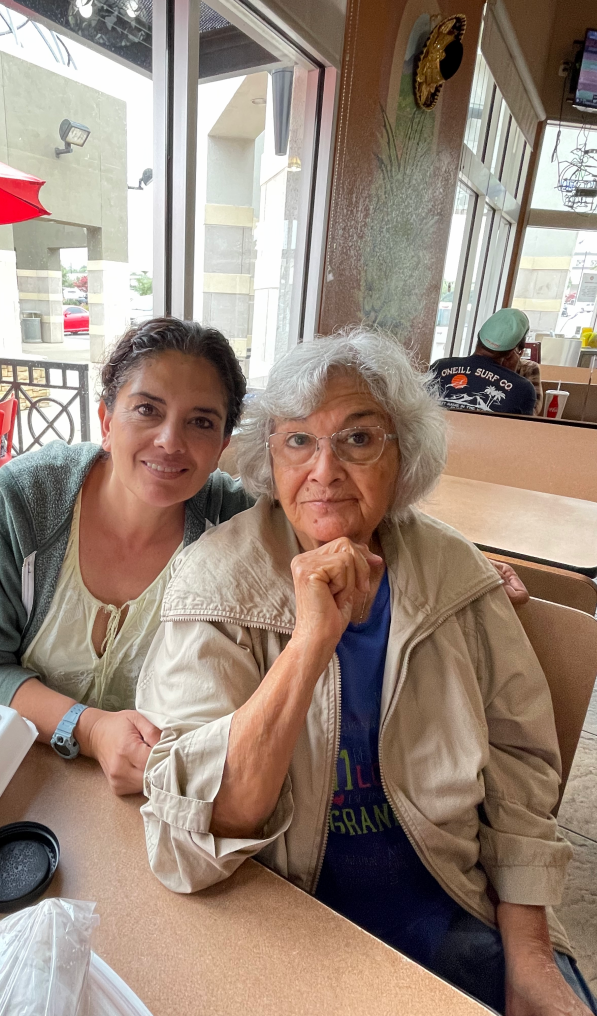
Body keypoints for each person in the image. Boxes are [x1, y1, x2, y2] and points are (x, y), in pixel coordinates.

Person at [137, 328, 595, 1016]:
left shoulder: (458, 575)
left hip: (451, 902)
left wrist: (530, 958)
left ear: (402, 454)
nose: (323, 470)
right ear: (270, 456)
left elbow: (520, 773)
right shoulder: (214, 582)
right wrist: (311, 640)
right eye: (299, 441)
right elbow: (198, 832)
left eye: (357, 439)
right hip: (281, 919)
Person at [0, 318, 250, 796]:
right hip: (19, 783)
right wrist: (90, 728)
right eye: (146, 409)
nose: (170, 441)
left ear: (223, 445)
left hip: (156, 806)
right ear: (105, 421)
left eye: (201, 422)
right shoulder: (27, 501)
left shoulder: (233, 522)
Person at [430, 308, 537, 415]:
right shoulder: (522, 389)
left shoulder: (439, 367)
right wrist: (510, 374)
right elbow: (523, 430)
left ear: (478, 336)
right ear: (512, 352)